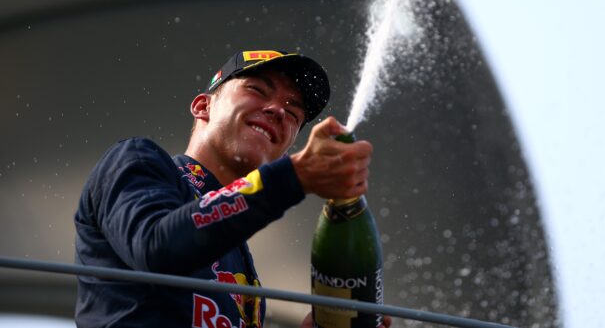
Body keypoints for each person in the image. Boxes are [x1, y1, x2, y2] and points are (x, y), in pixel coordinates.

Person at [74, 49, 389, 328]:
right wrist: (295, 176)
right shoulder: (136, 159)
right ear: (203, 106)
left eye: (293, 113)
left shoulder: (242, 264)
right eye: (257, 90)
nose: (278, 110)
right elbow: (156, 247)